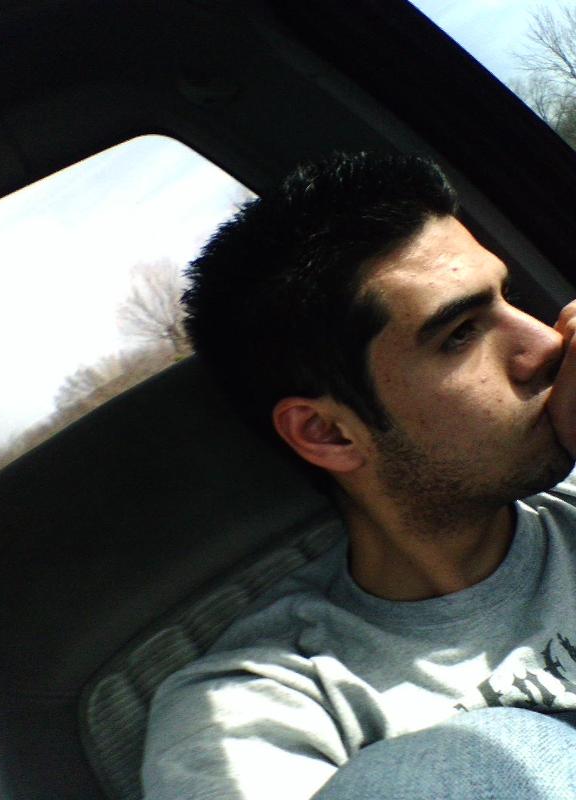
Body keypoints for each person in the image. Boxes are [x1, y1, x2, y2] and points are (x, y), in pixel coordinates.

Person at [141, 152, 576, 799]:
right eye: (460, 334)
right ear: (329, 433)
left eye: (507, 298)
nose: (545, 342)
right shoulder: (261, 707)